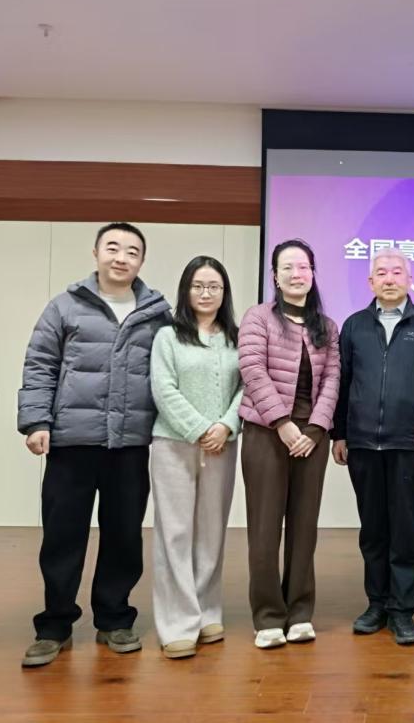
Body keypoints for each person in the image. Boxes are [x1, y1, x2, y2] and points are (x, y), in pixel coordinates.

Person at [17, 222, 171, 667]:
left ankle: (115, 618)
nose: (121, 257)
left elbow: (169, 372)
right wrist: (36, 421)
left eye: (132, 251)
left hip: (131, 445)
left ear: (142, 261)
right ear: (96, 253)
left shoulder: (156, 313)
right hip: (72, 442)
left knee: (124, 535)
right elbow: (40, 364)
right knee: (62, 536)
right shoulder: (65, 306)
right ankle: (54, 625)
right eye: (113, 248)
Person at [332, 248, 414, 645]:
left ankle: (402, 611)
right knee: (372, 530)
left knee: (404, 530)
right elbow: (342, 383)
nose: (389, 278)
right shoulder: (354, 326)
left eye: (396, 272)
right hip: (363, 444)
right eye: (381, 273)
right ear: (370, 282)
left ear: (409, 279)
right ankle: (376, 605)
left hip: (408, 444)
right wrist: (339, 434)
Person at [238, 239, 340, 649]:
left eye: (304, 267)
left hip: (311, 437)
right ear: (275, 276)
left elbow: (333, 379)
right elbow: (252, 369)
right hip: (266, 433)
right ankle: (267, 616)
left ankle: (299, 613)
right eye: (288, 267)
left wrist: (314, 429)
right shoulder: (258, 317)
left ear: (313, 273)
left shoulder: (326, 326)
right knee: (265, 529)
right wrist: (282, 423)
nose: (297, 274)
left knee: (304, 527)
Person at [149, 256, 242, 659]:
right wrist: (200, 429)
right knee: (175, 534)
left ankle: (206, 612)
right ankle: (177, 623)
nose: (206, 293)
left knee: (211, 531)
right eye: (198, 286)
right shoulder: (168, 337)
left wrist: (225, 426)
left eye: (214, 287)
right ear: (186, 290)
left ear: (225, 293)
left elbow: (246, 388)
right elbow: (163, 388)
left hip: (223, 445)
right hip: (173, 444)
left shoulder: (236, 338)